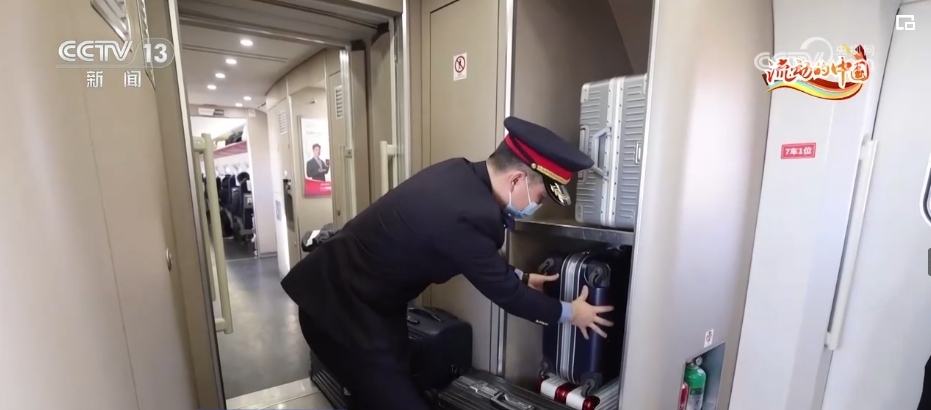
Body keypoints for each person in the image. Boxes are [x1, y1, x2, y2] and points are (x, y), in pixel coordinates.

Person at [281, 116, 614, 410]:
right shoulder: (467, 215)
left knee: (388, 387)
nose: (536, 206)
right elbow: (508, 295)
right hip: (338, 308)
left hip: (370, 301)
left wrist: (522, 277)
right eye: (540, 197)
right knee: (394, 400)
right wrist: (573, 313)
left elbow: (471, 257)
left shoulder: (461, 175)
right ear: (516, 180)